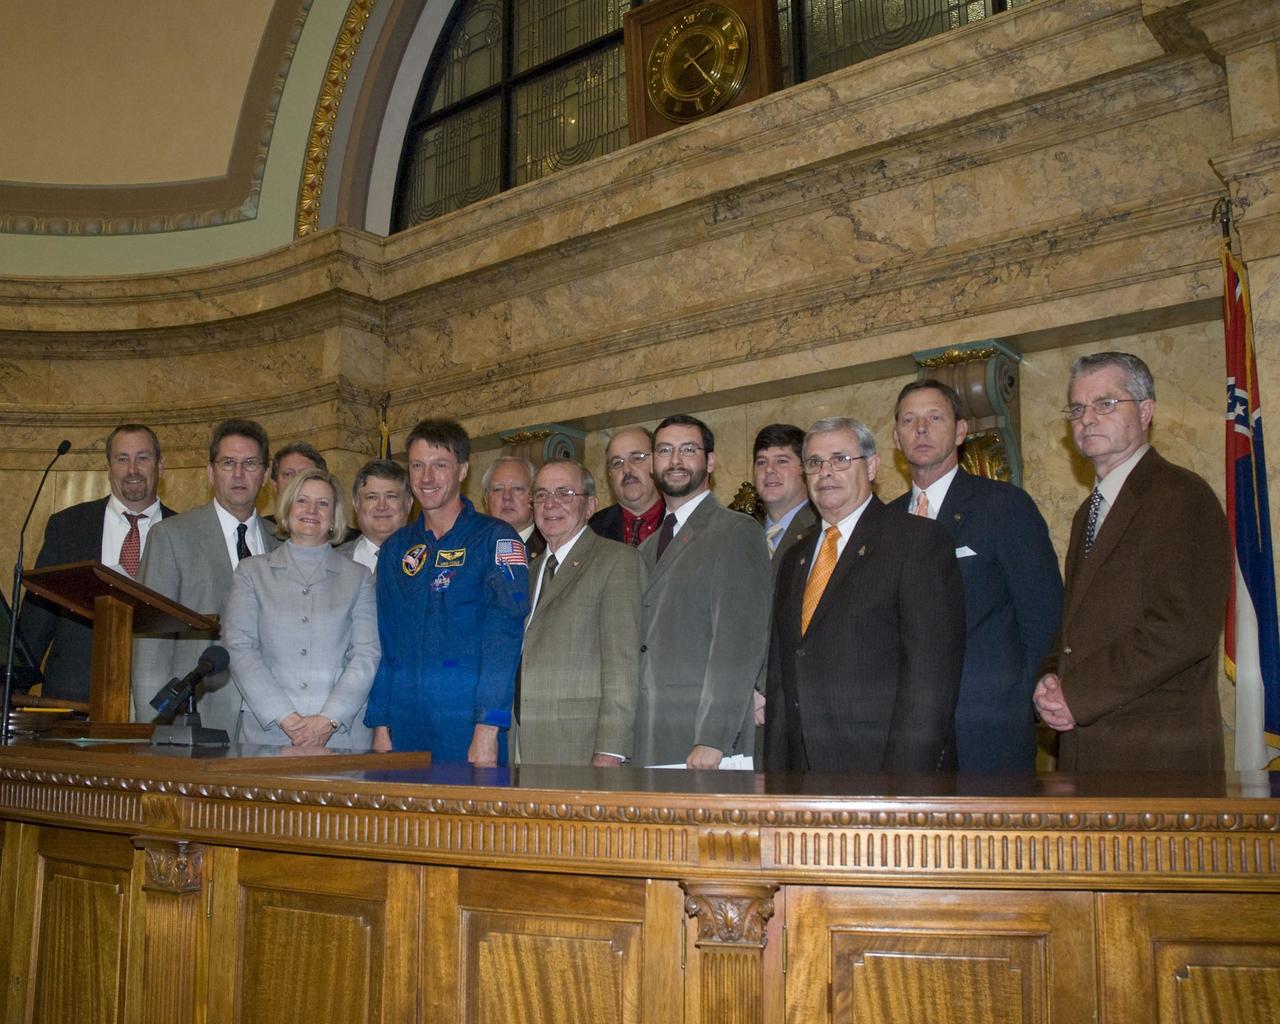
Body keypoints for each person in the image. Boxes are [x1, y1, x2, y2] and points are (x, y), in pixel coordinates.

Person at [1033, 352, 1232, 771]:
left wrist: (1078, 694)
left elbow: (1182, 629)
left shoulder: (1181, 497)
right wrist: (1050, 678)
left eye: (1105, 403)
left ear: (1145, 412)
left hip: (1156, 755)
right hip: (1085, 752)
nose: (1087, 418)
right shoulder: (1089, 512)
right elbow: (1077, 624)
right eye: (1077, 408)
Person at [765, 416, 965, 773]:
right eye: (814, 463)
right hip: (801, 775)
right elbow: (782, 679)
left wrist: (902, 786)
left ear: (872, 466)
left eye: (841, 459)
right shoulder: (794, 557)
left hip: (882, 770)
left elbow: (930, 678)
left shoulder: (916, 541)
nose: (826, 472)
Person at [889, 380, 1062, 773]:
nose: (921, 429)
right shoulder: (884, 522)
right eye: (909, 420)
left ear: (961, 431)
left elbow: (1043, 615)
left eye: (934, 417)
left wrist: (1021, 700)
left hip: (986, 725)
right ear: (896, 437)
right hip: (904, 732)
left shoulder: (1004, 506)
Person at [364, 419, 529, 764]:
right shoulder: (396, 549)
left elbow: (504, 641)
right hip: (405, 726)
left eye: (440, 465)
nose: (426, 478)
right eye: (417, 466)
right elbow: (387, 641)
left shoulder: (496, 540)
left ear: (463, 470)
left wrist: (488, 726)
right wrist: (380, 722)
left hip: (466, 725)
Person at [634, 414, 771, 768]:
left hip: (704, 741)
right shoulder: (646, 548)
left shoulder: (735, 531)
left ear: (710, 461)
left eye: (688, 450)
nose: (675, 461)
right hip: (648, 734)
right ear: (652, 464)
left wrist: (713, 737)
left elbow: (738, 642)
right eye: (664, 450)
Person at [132, 419, 279, 733]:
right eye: (228, 463)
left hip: (272, 721)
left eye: (250, 463)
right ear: (211, 472)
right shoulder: (171, 536)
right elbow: (151, 644)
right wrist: (152, 727)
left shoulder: (282, 542)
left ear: (266, 475)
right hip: (198, 716)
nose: (238, 474)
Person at [223, 469, 379, 748]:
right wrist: (287, 718)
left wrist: (328, 719)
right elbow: (240, 648)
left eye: (323, 504)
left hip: (341, 736)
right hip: (268, 731)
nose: (312, 510)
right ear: (287, 508)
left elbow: (366, 655)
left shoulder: (359, 577)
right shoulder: (252, 572)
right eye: (302, 500)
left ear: (334, 517)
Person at [20, 424, 174, 703]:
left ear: (160, 465)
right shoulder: (67, 526)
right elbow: (38, 617)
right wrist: (13, 689)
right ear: (109, 467)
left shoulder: (185, 530)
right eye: (122, 459)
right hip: (74, 697)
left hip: (161, 700)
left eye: (143, 458)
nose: (132, 470)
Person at [518, 458, 643, 765]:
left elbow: (623, 663)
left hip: (581, 745)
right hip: (520, 743)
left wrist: (611, 749)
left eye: (565, 493)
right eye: (542, 495)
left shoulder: (616, 561)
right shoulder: (527, 571)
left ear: (590, 506)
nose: (551, 504)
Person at [753, 423, 816, 567]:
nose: (769, 469)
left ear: (806, 469)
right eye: (761, 462)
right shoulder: (742, 536)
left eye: (781, 461)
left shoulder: (824, 529)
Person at [588, 427, 664, 546]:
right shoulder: (591, 531)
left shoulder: (682, 520)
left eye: (637, 458)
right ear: (609, 474)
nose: (626, 470)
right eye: (617, 463)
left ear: (656, 462)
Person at [337, 459, 412, 573]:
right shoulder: (332, 561)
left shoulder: (429, 558)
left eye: (391, 496)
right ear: (356, 504)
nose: (382, 506)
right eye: (372, 497)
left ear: (409, 504)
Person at [483, 455, 545, 558]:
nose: (506, 497)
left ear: (534, 496)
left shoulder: (551, 547)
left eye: (517, 488)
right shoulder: (472, 549)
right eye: (498, 489)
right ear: (486, 499)